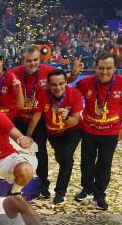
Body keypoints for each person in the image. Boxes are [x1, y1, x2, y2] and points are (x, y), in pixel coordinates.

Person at [10, 45, 81, 198]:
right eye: (28, 61)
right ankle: (16, 181)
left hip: (39, 119)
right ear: (22, 60)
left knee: (40, 150)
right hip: (19, 118)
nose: (32, 64)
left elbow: (63, 80)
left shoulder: (47, 71)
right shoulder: (13, 74)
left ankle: (43, 184)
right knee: (16, 150)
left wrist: (74, 74)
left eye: (36, 60)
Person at [74, 52, 122, 210]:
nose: (104, 72)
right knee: (86, 163)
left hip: (111, 133)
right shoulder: (85, 83)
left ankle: (99, 195)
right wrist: (73, 73)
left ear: (115, 68)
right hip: (88, 130)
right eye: (101, 68)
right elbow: (68, 94)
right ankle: (86, 189)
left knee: (104, 164)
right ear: (96, 67)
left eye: (109, 68)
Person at [30, 69, 83, 204]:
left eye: (61, 83)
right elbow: (36, 116)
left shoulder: (75, 94)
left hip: (72, 130)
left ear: (66, 82)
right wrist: (27, 135)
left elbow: (75, 120)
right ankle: (45, 185)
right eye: (54, 84)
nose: (58, 87)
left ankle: (60, 192)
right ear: (48, 84)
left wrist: (66, 117)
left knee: (66, 157)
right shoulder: (42, 94)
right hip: (53, 133)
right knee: (61, 157)